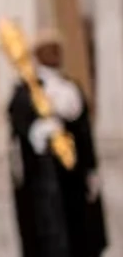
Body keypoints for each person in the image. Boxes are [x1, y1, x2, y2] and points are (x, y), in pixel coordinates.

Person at [8, 30, 108, 257]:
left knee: (78, 234)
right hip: (43, 181)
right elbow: (19, 129)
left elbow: (83, 132)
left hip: (72, 176)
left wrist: (91, 169)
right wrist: (39, 130)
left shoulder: (70, 87)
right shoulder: (25, 91)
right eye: (47, 50)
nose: (53, 55)